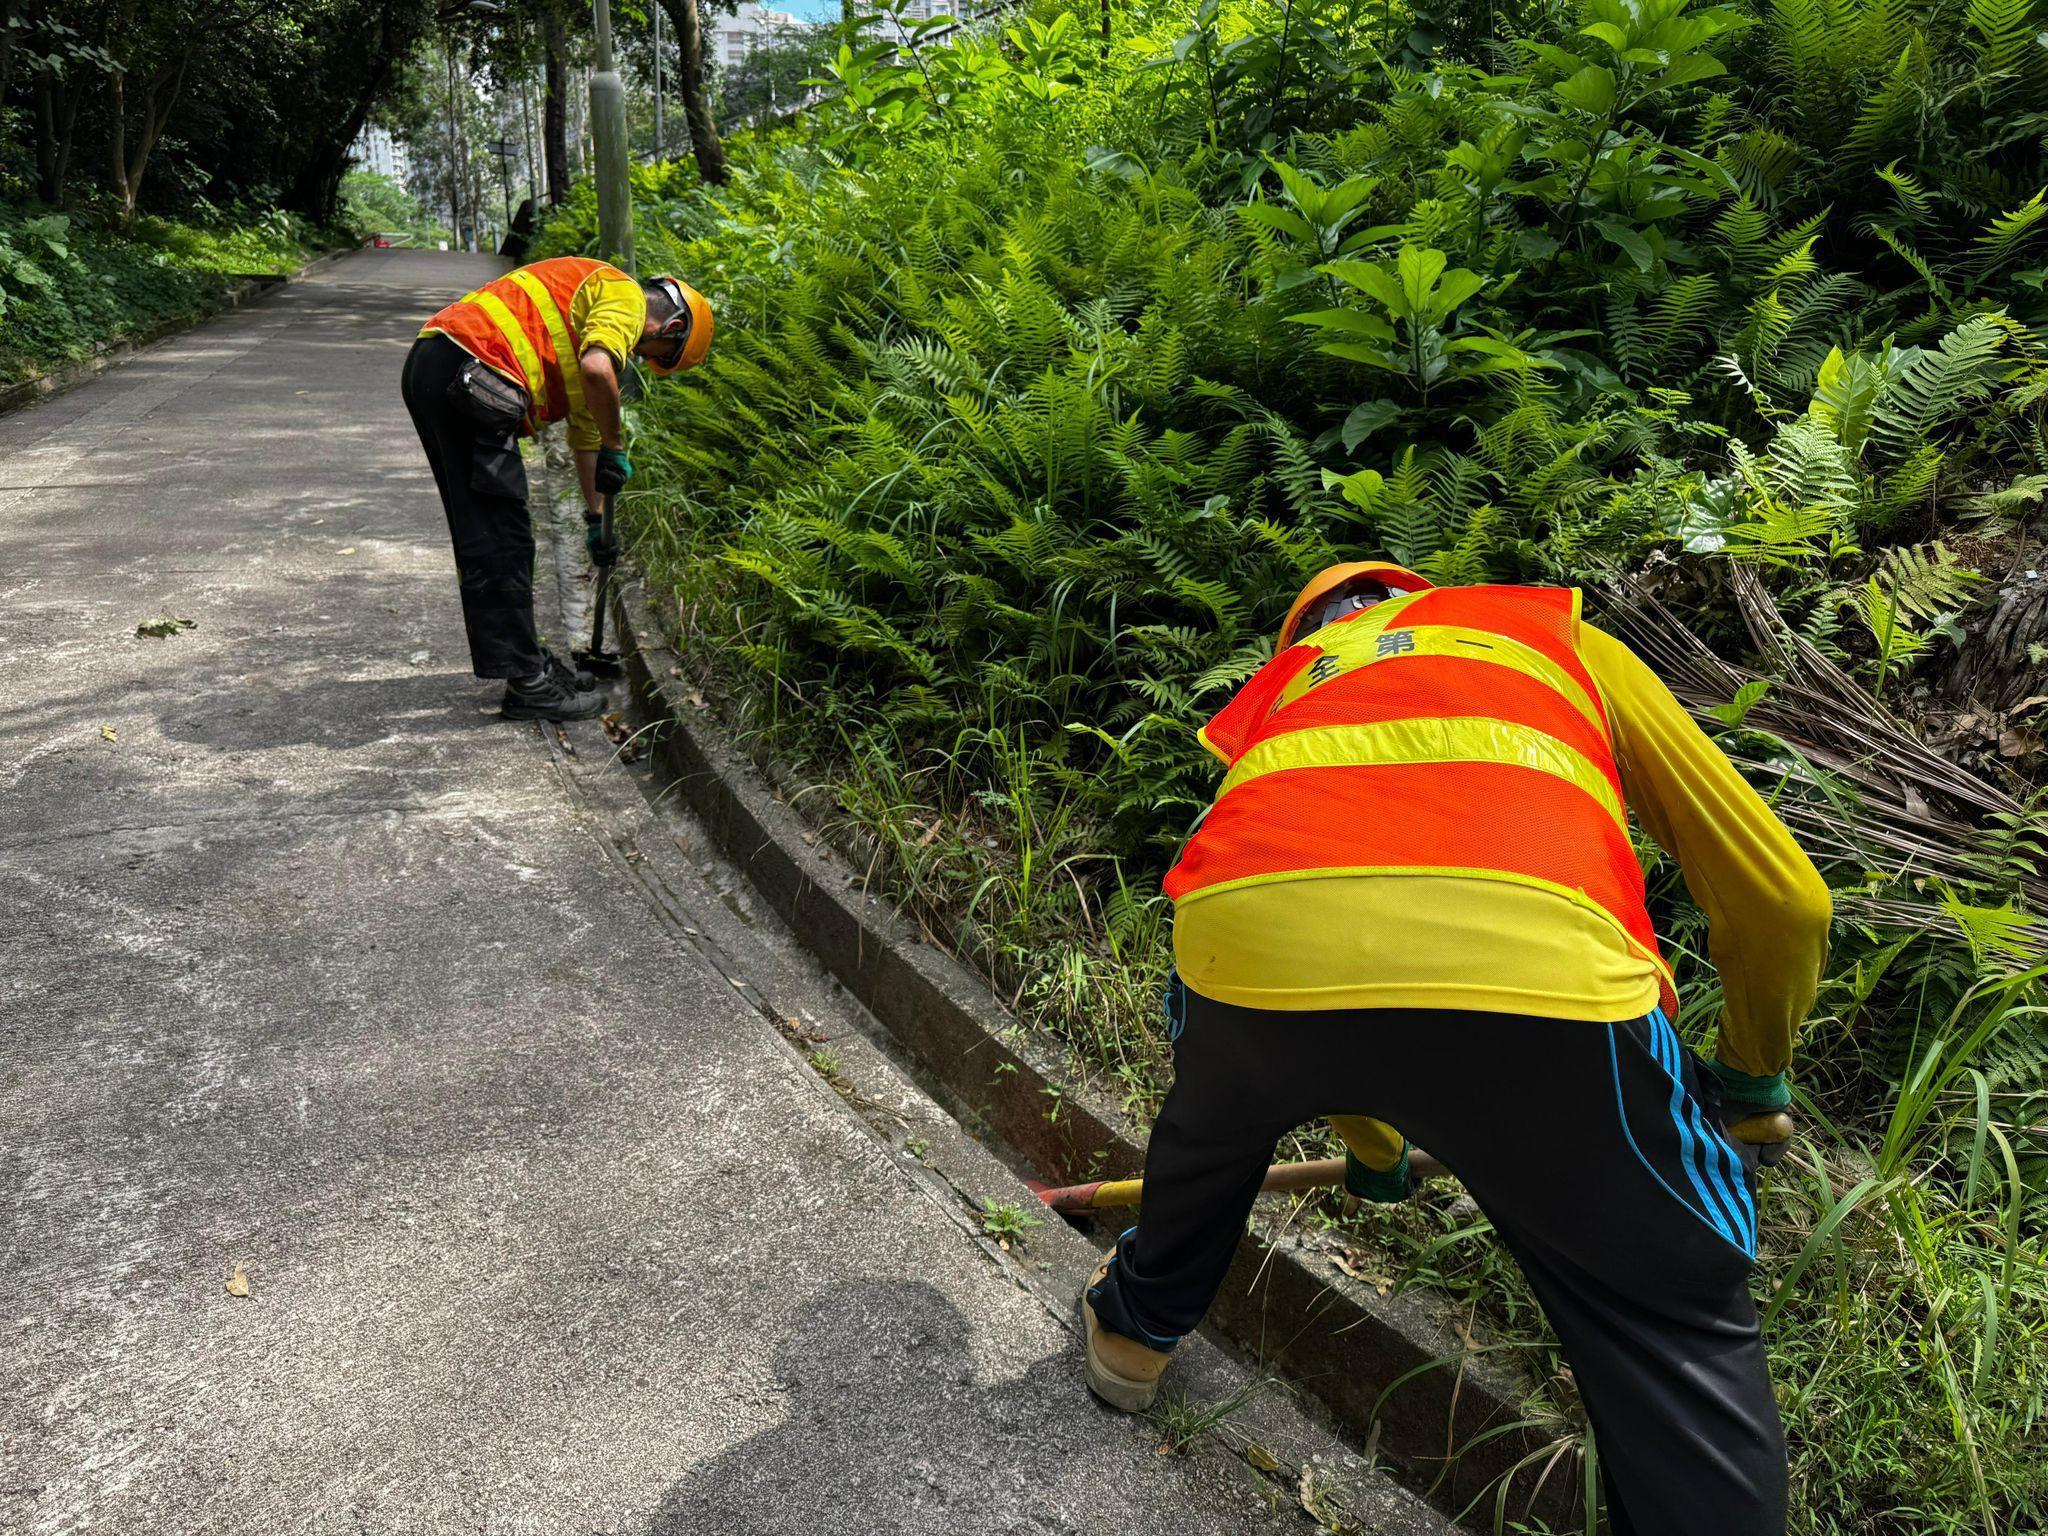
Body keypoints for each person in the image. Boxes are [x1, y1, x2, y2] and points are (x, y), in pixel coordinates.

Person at [1080, 562, 1831, 1536]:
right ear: (1417, 598)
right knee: (1668, 1312)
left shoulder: (1292, 688)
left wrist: (1376, 1153)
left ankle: (1130, 1340)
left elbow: (1326, 938)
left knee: (1211, 1125)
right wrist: (1747, 1073)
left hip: (1239, 952)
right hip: (1543, 979)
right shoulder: (1553, 637)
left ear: (1301, 635)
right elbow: (1784, 901)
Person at [401, 257, 714, 720]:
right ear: (669, 323)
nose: (645, 362)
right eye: (658, 354)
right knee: (500, 537)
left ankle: (528, 663)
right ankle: (528, 683)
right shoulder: (622, 293)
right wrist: (617, 444)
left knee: (491, 532)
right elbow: (596, 371)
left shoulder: (589, 327)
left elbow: (587, 442)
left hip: (444, 367)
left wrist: (595, 523)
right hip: (472, 368)